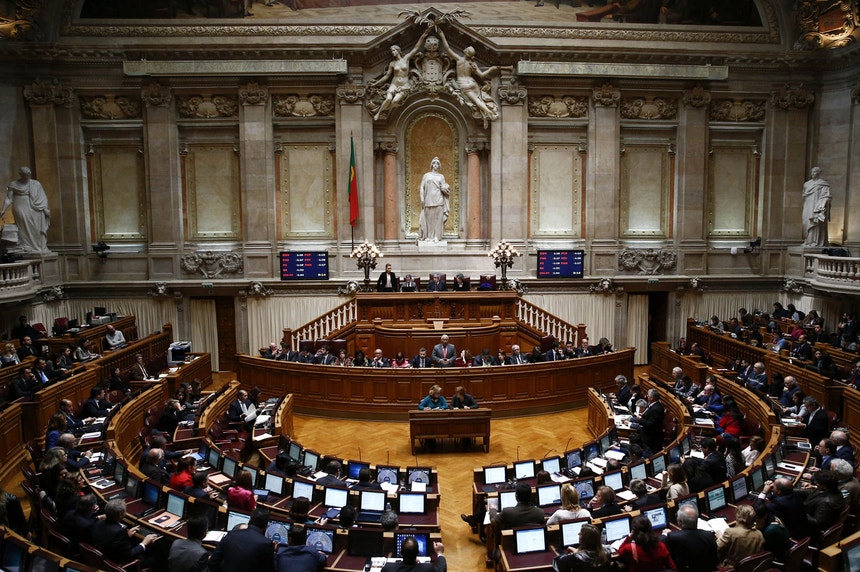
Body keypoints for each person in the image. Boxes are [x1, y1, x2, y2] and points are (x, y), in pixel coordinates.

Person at [437, 29, 503, 128]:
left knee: (476, 101)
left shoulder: (459, 60)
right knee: (478, 99)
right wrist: (491, 69)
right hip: (472, 82)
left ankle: (488, 112)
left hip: (463, 83)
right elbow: (482, 75)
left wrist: (442, 34)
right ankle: (489, 112)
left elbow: (447, 48)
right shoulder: (472, 64)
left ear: (465, 52)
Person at [370, 28, 431, 121]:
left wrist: (423, 35)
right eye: (391, 51)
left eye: (394, 50)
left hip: (404, 85)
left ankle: (382, 109)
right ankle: (378, 113)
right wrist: (375, 84)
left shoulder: (406, 59)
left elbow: (415, 48)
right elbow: (387, 76)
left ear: (398, 50)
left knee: (395, 101)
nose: (393, 52)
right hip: (394, 84)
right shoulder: (392, 63)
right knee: (388, 99)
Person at [91, 499, 160, 567]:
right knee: (156, 557)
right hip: (116, 563)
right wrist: (144, 543)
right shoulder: (119, 531)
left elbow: (111, 540)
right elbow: (129, 554)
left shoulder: (98, 523)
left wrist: (127, 536)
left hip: (103, 556)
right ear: (121, 515)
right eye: (125, 511)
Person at [209, 507, 276, 572]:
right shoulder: (266, 543)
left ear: (250, 520)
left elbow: (213, 562)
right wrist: (275, 553)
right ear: (265, 526)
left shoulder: (230, 534)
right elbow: (269, 569)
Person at [1, 166, 50, 253]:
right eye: (25, 175)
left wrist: (44, 207)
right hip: (20, 206)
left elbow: (43, 197)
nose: (27, 176)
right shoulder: (14, 184)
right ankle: (25, 245)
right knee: (23, 225)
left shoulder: (36, 184)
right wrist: (3, 210)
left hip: (35, 208)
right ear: (21, 174)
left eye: (28, 174)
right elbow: (9, 199)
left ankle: (37, 247)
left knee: (35, 227)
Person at [664, 504, 718, 572]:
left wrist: (664, 534)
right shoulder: (709, 535)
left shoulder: (672, 537)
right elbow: (715, 562)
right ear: (697, 521)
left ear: (680, 522)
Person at [418, 158, 450, 242]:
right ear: (431, 165)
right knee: (429, 219)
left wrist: (445, 188)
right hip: (428, 199)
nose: (436, 164)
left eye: (437, 163)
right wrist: (422, 198)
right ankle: (428, 236)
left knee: (438, 219)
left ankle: (436, 236)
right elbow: (422, 187)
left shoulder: (441, 176)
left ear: (439, 166)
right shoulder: (426, 175)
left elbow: (444, 187)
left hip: (439, 199)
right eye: (434, 163)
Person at [381, 535, 446, 572]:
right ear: (418, 552)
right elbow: (441, 570)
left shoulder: (388, 568)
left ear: (401, 552)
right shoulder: (428, 568)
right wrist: (439, 552)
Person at [629, 389, 665, 454]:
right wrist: (643, 416)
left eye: (648, 395)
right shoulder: (653, 405)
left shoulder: (656, 409)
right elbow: (649, 417)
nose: (647, 396)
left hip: (651, 438)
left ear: (651, 398)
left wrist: (640, 419)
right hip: (647, 433)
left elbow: (651, 424)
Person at [802, 166, 831, 246]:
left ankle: (815, 241)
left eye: (815, 172)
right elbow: (804, 195)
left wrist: (822, 205)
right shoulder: (806, 184)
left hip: (817, 206)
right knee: (806, 222)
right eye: (812, 172)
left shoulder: (823, 184)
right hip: (808, 206)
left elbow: (827, 196)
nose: (813, 173)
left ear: (819, 173)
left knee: (816, 223)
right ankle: (807, 240)